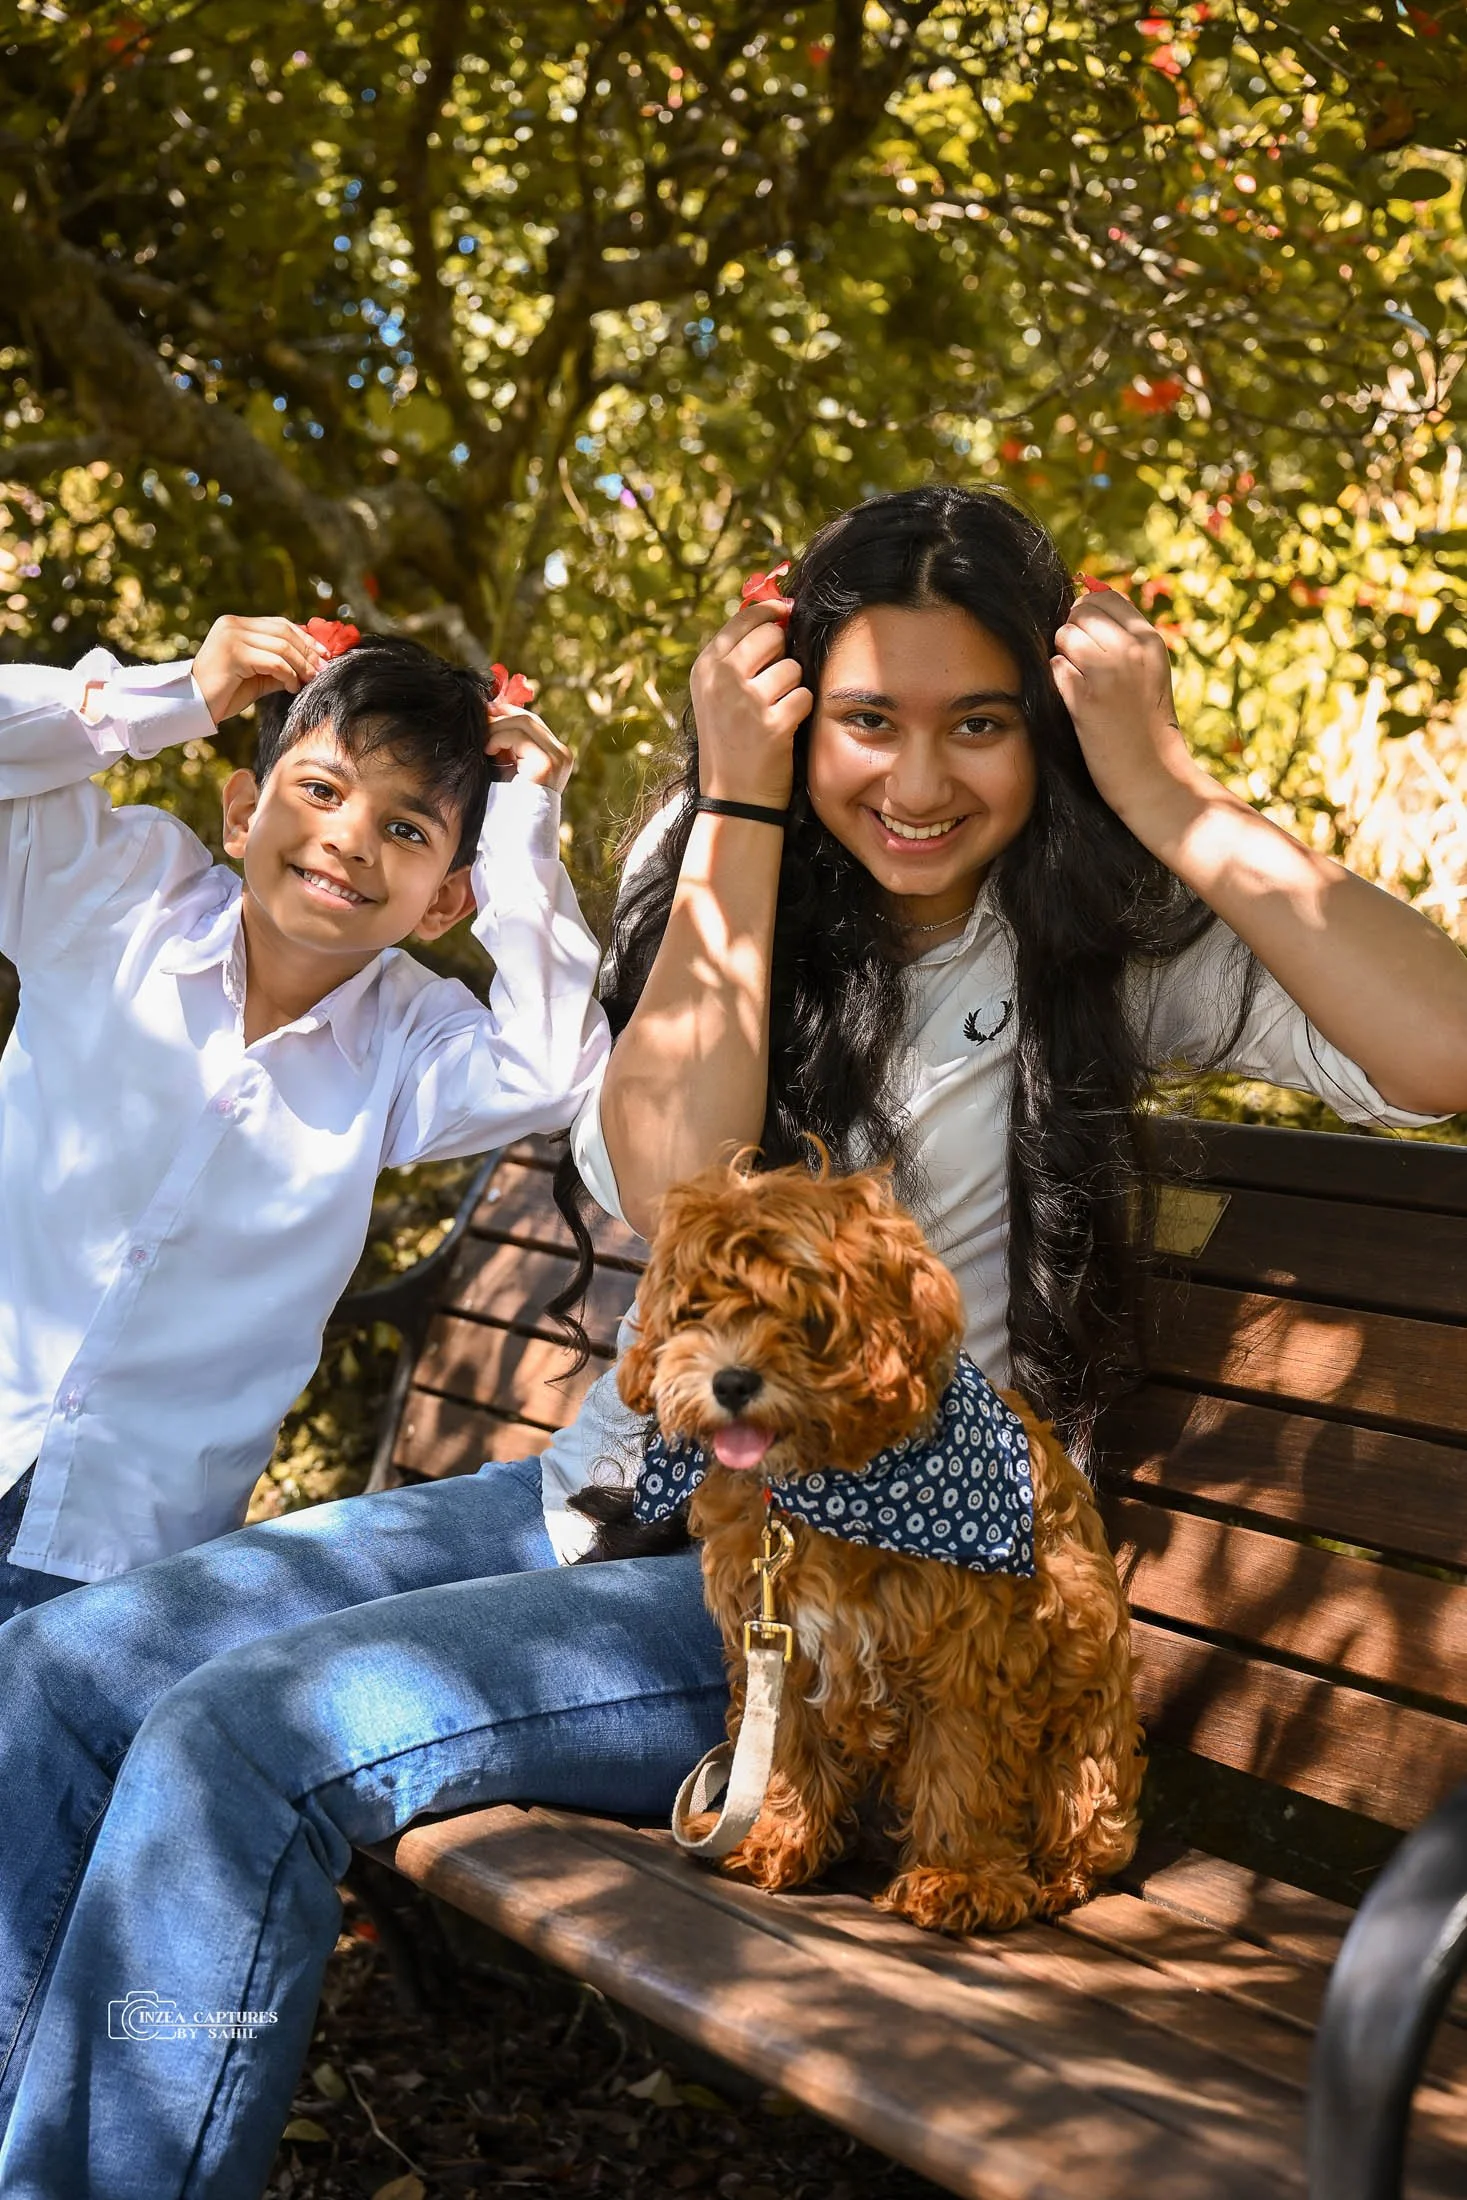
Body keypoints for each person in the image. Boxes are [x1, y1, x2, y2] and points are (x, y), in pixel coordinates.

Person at [0, 488, 1464, 2200]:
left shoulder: (1098, 947)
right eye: (865, 722)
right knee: (65, 1671)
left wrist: (1158, 783)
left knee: (239, 1728)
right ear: (791, 713)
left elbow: (1440, 1051)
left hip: (848, 1583)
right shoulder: (716, 867)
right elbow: (678, 1182)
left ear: (1040, 731)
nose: (917, 785)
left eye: (976, 725)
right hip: (609, 1498)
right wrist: (739, 804)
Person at [0, 617, 609, 1621]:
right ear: (243, 812)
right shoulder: (118, 894)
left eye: (408, 829)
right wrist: (181, 695)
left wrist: (524, 821)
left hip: (122, 1564)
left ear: (445, 901)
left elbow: (552, 1066)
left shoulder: (412, 1044)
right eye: (321, 791)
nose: (351, 838)